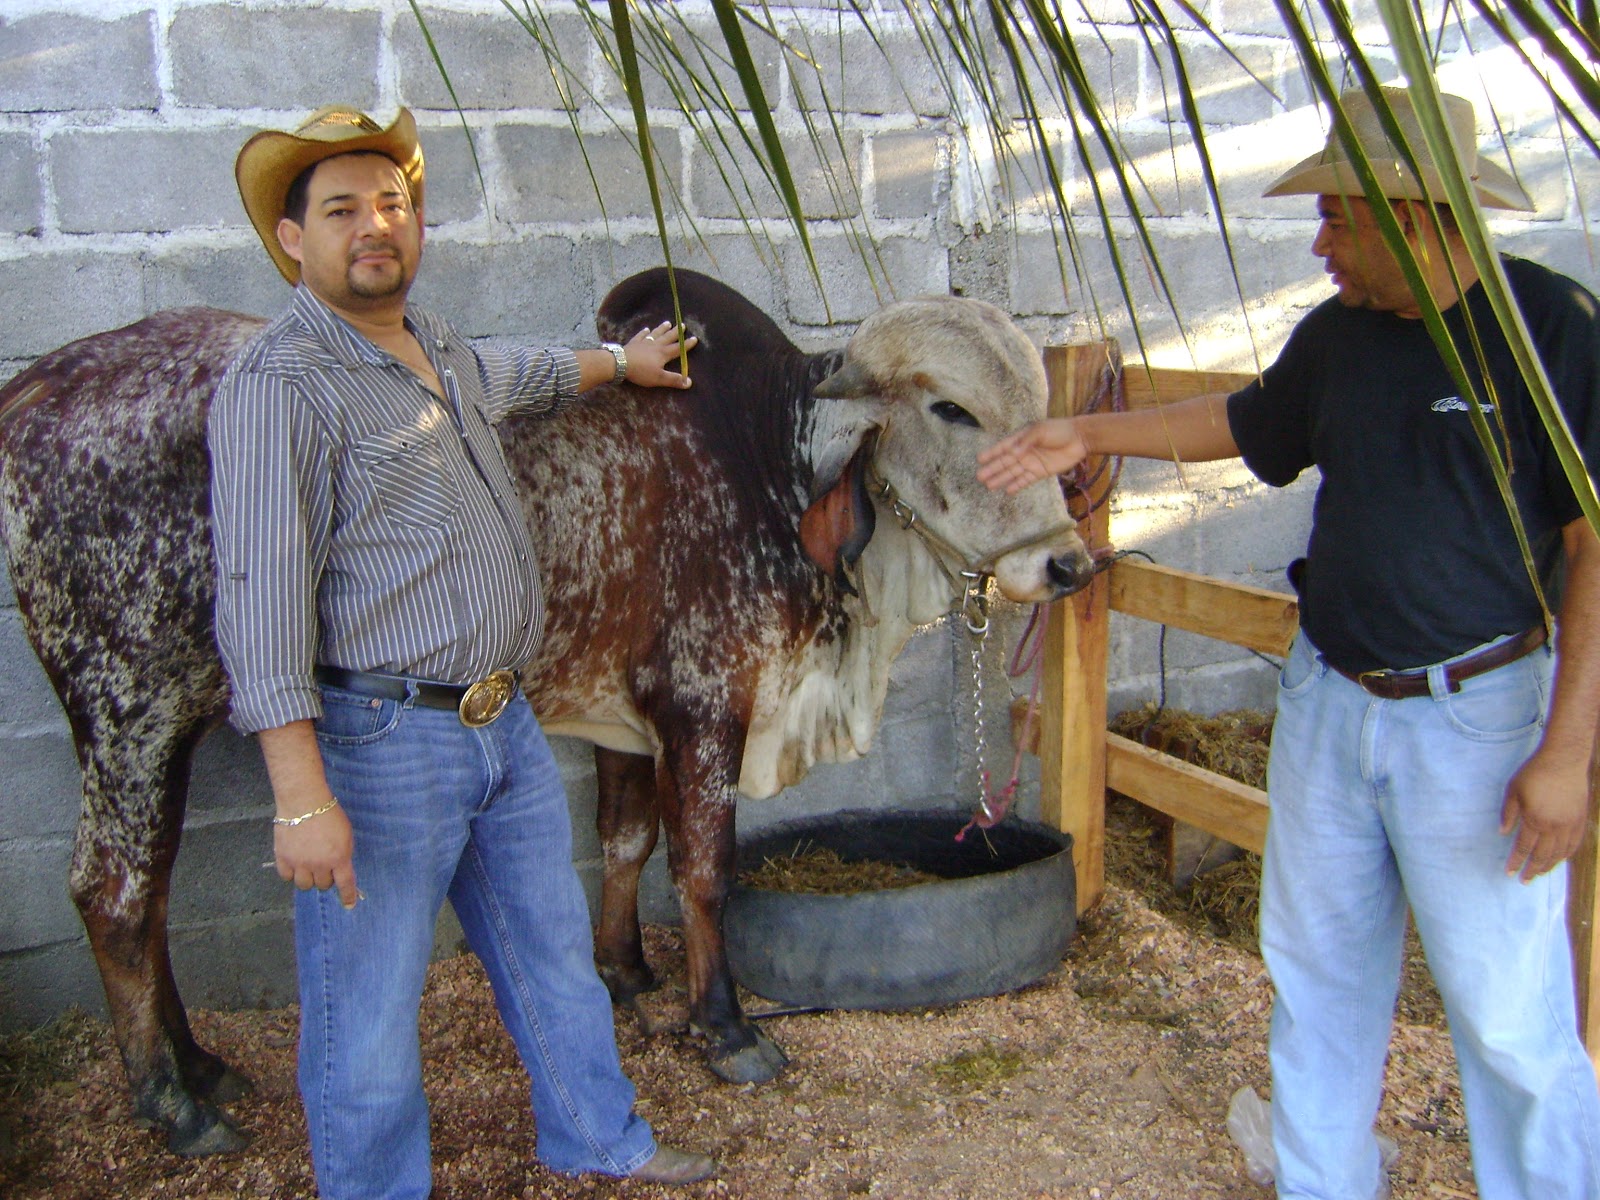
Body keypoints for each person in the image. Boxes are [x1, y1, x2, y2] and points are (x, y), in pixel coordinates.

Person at [980, 86, 1600, 1200]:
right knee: (1316, 978)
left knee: (1506, 1015)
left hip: (1478, 722)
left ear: (1414, 217)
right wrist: (1086, 428)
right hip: (1328, 705)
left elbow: (1595, 548)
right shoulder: (1339, 337)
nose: (1317, 244)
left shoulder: (1551, 331)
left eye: (1336, 219)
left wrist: (1565, 755)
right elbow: (1245, 423)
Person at [210, 105, 715, 1196]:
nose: (375, 226)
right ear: (292, 239)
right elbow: (255, 603)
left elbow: (516, 370)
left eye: (392, 203)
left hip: (505, 725)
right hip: (378, 743)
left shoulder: (434, 343)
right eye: (341, 209)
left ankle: (598, 1138)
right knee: (370, 1014)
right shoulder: (277, 385)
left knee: (553, 959)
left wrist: (617, 364)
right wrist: (300, 795)